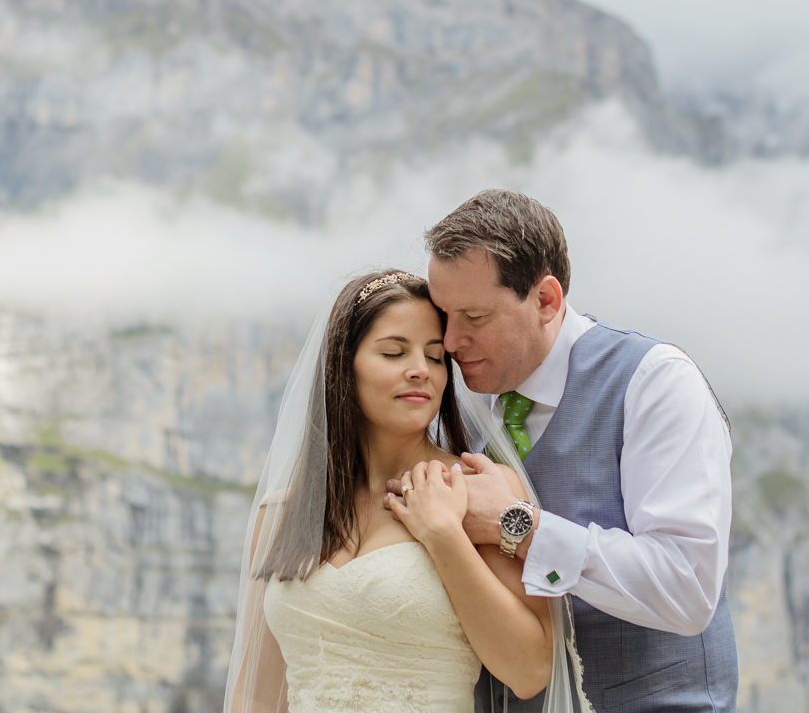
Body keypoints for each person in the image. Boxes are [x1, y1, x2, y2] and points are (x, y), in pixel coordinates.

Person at [395, 189, 738, 713]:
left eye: (475, 316)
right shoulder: (450, 404)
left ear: (547, 300)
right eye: (444, 314)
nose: (451, 339)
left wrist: (517, 525)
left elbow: (686, 588)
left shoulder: (654, 382)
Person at [224, 270, 589, 713]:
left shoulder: (476, 491)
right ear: (344, 365)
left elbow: (530, 670)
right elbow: (257, 695)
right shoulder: (282, 510)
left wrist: (443, 535)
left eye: (436, 358)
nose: (420, 370)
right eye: (395, 352)